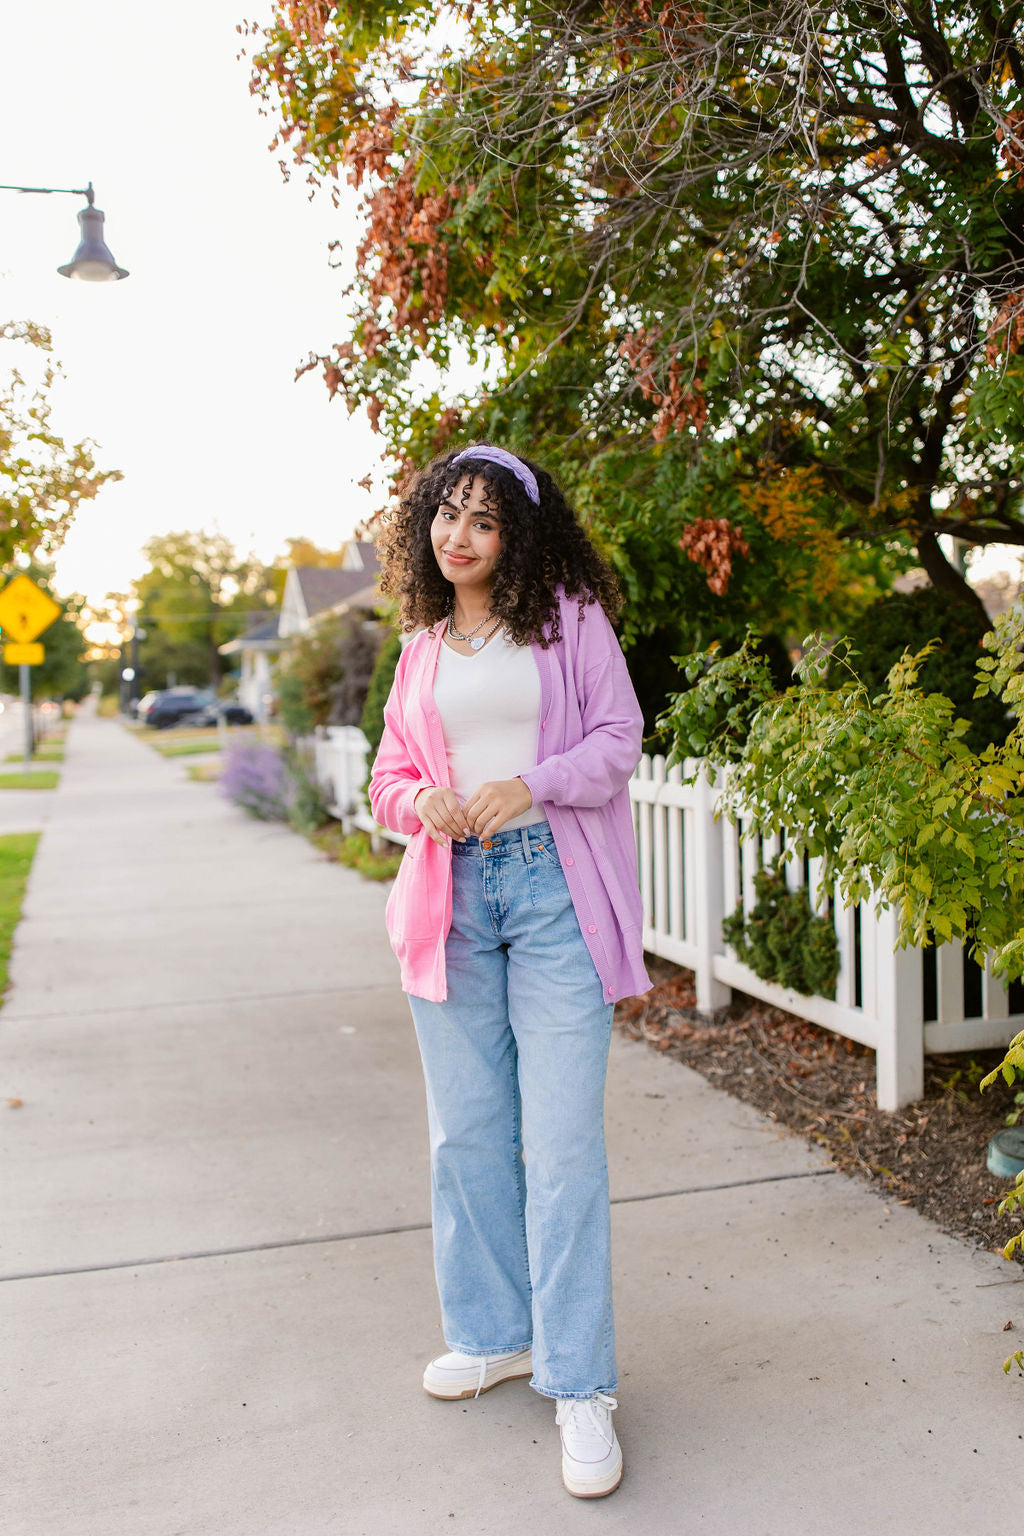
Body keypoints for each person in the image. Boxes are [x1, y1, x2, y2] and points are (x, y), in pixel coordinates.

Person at [368, 444, 650, 1499]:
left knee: (563, 1144)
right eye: (447, 514)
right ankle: (493, 1334)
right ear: (425, 528)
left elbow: (620, 737)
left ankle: (580, 1384)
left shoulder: (568, 621)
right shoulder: (422, 648)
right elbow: (388, 775)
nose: (460, 536)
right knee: (468, 1133)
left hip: (552, 897)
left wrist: (531, 784)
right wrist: (416, 803)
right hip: (450, 899)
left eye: (483, 520)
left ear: (515, 537)